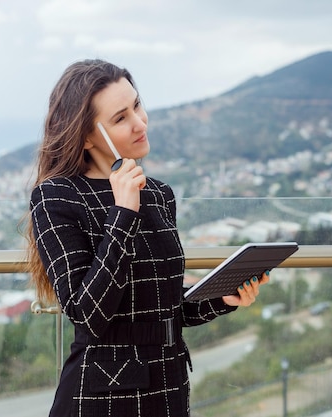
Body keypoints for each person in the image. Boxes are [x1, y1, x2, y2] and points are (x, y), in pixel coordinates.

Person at [25, 58, 269, 417]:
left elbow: (165, 309)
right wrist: (123, 212)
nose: (140, 123)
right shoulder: (57, 197)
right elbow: (87, 314)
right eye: (120, 118)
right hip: (102, 397)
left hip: (169, 388)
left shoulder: (158, 194)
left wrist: (223, 297)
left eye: (137, 105)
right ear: (88, 135)